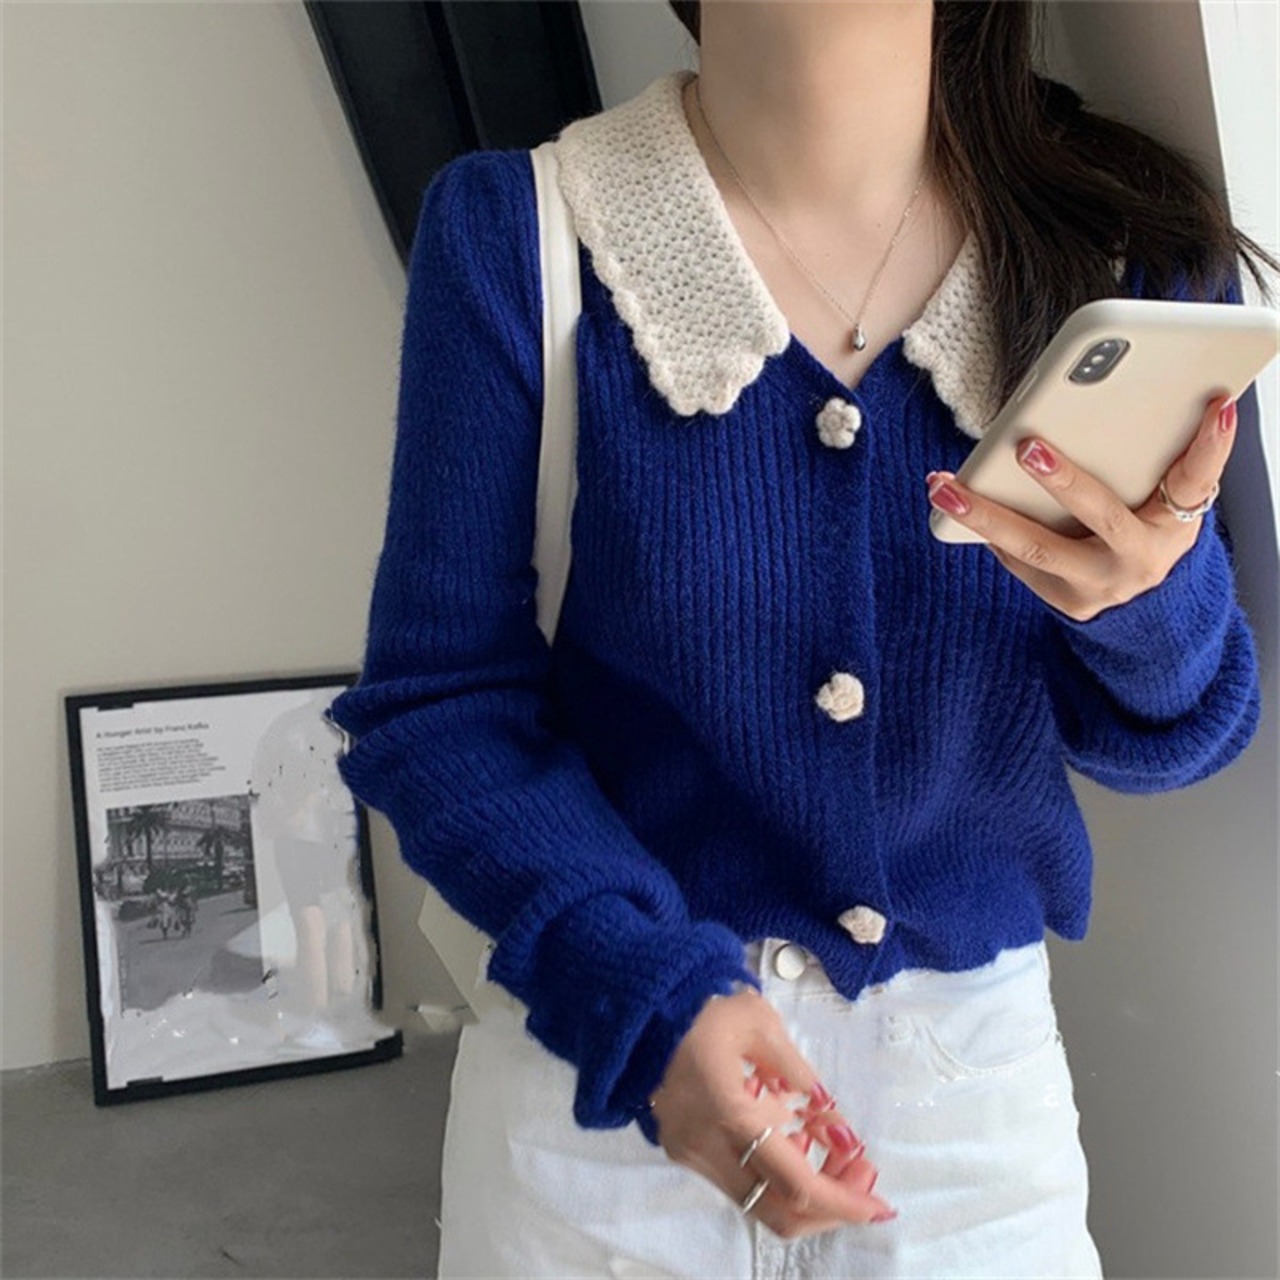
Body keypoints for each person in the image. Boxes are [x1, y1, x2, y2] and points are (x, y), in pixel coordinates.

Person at [326, 2, 1275, 1275]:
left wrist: (1141, 598)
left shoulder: (1121, 252)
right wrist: (642, 999)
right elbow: (439, 703)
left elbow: (1176, 735)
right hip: (599, 1095)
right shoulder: (519, 231)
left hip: (967, 1119)